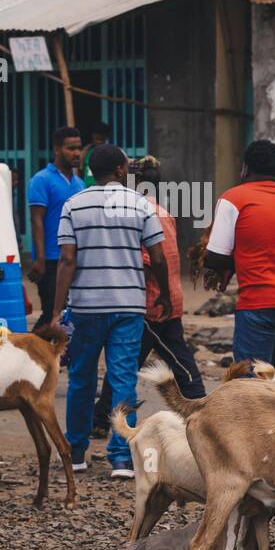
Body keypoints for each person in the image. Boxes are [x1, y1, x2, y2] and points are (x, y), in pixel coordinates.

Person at [50, 144, 171, 479]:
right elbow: (158, 258)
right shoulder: (139, 204)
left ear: (91, 170)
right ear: (120, 170)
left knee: (81, 380)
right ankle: (121, 457)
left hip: (86, 307)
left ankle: (76, 453)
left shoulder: (74, 204)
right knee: (122, 380)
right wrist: (165, 297)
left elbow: (67, 260)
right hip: (128, 307)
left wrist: (57, 310)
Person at [92, 155, 206, 438]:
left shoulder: (138, 212)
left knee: (169, 365)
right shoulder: (163, 211)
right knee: (127, 363)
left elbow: (149, 262)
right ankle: (100, 418)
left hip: (151, 304)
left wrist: (149, 296)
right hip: (162, 302)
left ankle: (205, 413)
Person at [204, 140, 275, 369]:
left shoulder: (234, 198)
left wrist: (227, 267)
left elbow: (214, 256)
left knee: (250, 385)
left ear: (245, 168)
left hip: (258, 304)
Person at [26, 126, 85, 331]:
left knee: (70, 313)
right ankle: (31, 352)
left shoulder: (80, 183)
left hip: (74, 257)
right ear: (57, 150)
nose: (77, 153)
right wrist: (40, 259)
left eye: (79, 148)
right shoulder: (41, 180)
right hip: (51, 259)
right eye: (71, 148)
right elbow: (36, 220)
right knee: (52, 313)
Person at [81, 122, 111, 187]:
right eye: (97, 139)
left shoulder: (111, 153)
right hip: (86, 190)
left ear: (106, 137)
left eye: (102, 139)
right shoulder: (86, 151)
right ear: (92, 136)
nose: (99, 142)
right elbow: (80, 169)